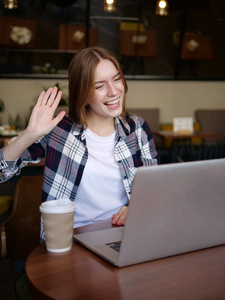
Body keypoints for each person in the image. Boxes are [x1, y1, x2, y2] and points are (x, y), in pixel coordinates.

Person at [0, 47, 160, 240]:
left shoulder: (138, 129)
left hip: (126, 234)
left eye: (116, 79)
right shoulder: (60, 130)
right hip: (71, 239)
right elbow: (2, 172)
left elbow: (154, 188)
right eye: (99, 86)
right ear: (83, 91)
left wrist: (136, 207)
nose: (113, 91)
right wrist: (29, 134)